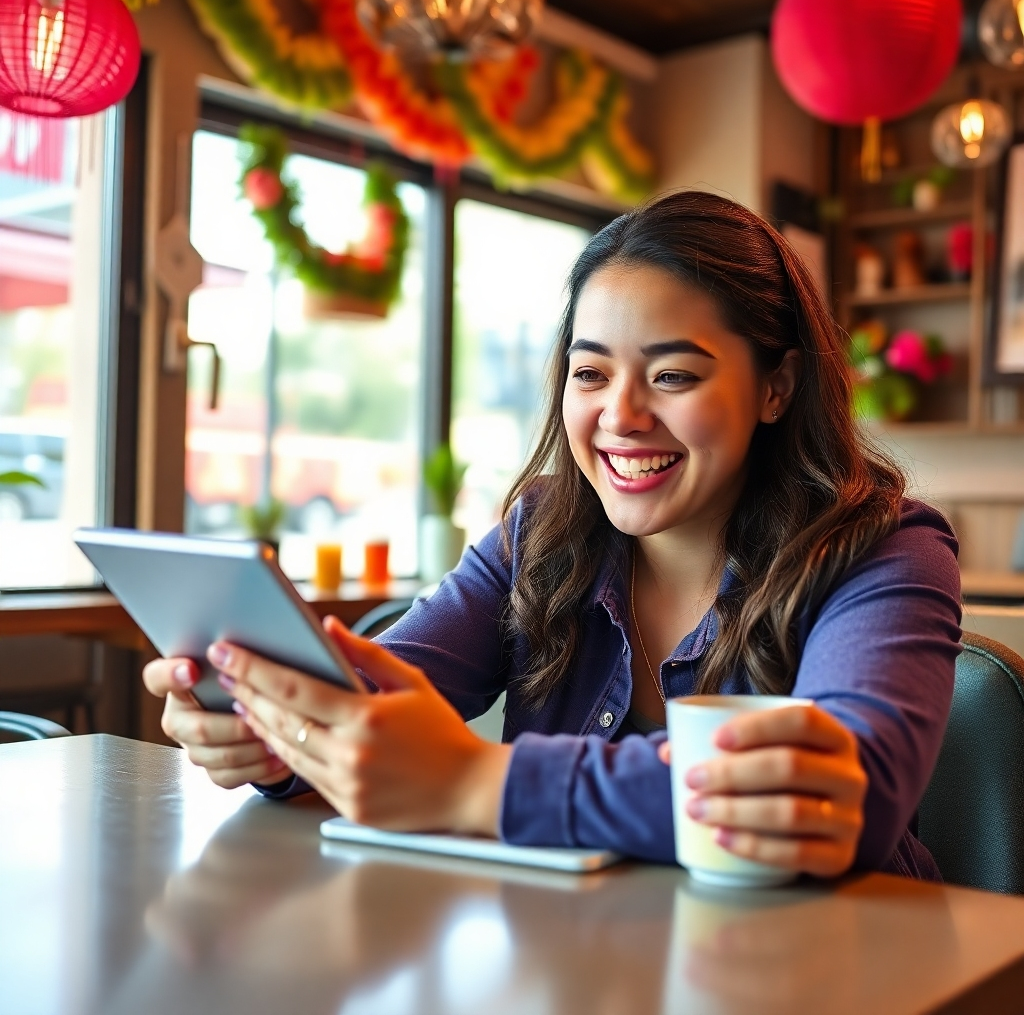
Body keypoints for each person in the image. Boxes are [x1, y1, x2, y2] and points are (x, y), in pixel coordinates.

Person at [144, 191, 961, 880]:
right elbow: (377, 709)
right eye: (591, 372)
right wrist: (273, 733)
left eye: (673, 375)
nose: (621, 415)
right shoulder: (539, 534)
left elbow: (841, 793)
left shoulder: (888, 550)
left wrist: (478, 784)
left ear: (776, 387)